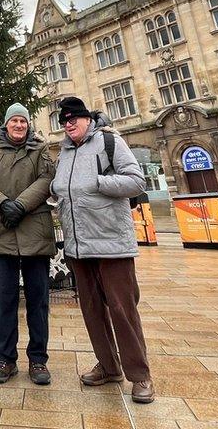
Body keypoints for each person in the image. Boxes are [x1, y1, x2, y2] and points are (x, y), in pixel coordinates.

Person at [50, 96, 155, 404]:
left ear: (86, 120)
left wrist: (97, 182)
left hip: (111, 242)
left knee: (123, 311)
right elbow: (62, 188)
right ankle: (109, 367)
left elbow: (136, 181)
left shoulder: (109, 141)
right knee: (92, 310)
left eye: (74, 120)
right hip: (78, 245)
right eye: (64, 122)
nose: (69, 125)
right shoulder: (64, 152)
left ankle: (140, 375)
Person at [0, 102, 56, 386]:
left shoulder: (40, 149)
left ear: (28, 124)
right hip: (2, 232)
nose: (19, 126)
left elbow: (47, 179)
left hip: (34, 230)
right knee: (5, 300)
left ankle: (38, 360)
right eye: (14, 121)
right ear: (6, 124)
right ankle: (6, 359)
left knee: (38, 301)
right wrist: (3, 203)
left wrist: (19, 205)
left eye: (23, 121)